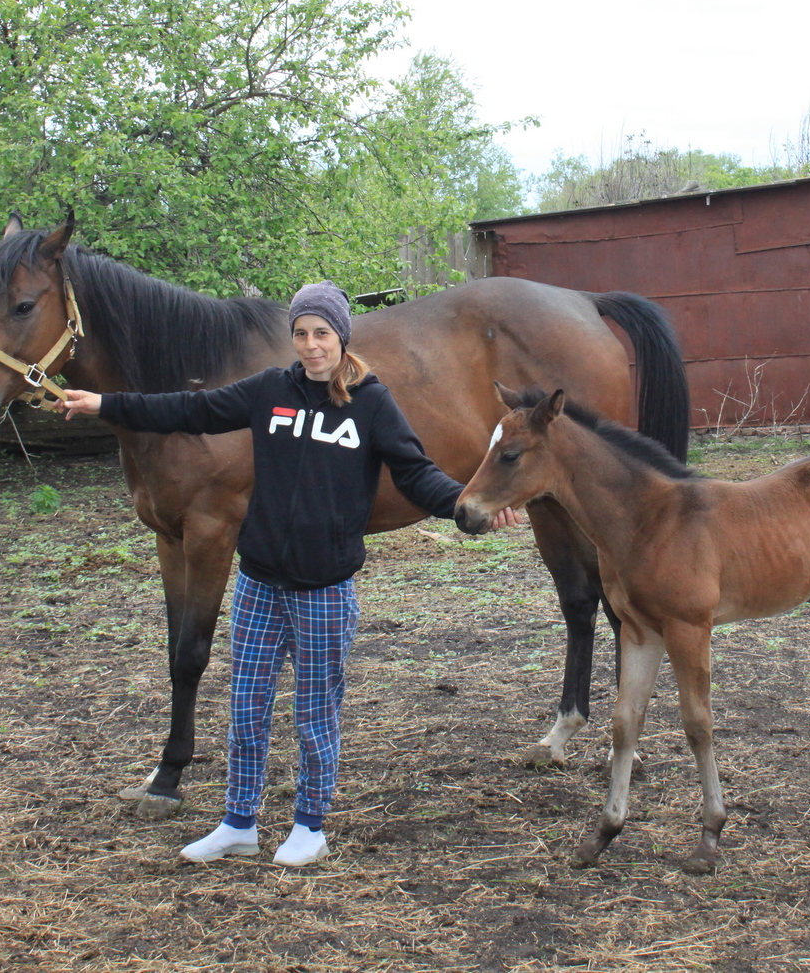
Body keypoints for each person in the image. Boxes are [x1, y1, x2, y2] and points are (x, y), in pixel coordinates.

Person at [56, 281, 520, 867]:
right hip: (259, 582)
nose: (310, 345)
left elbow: (415, 473)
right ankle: (238, 822)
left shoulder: (372, 403)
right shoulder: (269, 390)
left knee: (315, 713)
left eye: (321, 334)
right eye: (301, 334)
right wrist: (101, 403)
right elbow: (185, 409)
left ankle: (309, 825)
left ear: (342, 338)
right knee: (246, 708)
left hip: (325, 586)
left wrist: (466, 505)